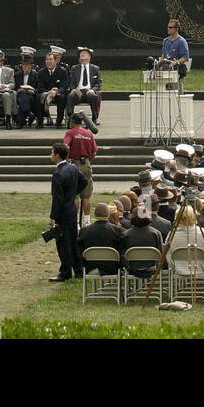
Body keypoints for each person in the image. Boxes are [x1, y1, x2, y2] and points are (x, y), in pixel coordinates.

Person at [49, 142, 83, 282]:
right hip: (72, 209)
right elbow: (84, 181)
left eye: (52, 153)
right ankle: (78, 268)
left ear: (57, 155)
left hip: (63, 212)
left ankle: (65, 272)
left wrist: (52, 218)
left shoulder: (58, 174)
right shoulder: (72, 168)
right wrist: (73, 193)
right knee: (73, 240)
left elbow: (57, 200)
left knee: (63, 243)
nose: (50, 155)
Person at [64, 113, 97, 223]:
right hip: (86, 164)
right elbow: (94, 152)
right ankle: (87, 220)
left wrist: (67, 158)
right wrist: (88, 160)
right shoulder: (88, 133)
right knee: (86, 195)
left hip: (74, 164)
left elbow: (65, 146)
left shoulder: (70, 133)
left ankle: (76, 221)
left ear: (72, 121)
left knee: (74, 195)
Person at [77, 201, 126, 272]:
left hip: (90, 267)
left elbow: (79, 251)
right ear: (108, 214)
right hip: (112, 266)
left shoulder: (84, 230)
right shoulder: (117, 231)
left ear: (95, 214)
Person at [67, 48, 102, 131]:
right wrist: (73, 89)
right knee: (71, 95)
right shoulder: (74, 68)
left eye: (84, 53)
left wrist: (93, 89)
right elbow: (71, 82)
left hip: (89, 91)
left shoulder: (95, 68)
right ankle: (71, 119)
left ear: (89, 57)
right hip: (78, 91)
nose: (82, 54)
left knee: (93, 95)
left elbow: (99, 83)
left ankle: (94, 119)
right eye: (81, 53)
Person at [34, 51, 70, 128]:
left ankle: (59, 121)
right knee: (38, 97)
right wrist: (49, 92)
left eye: (50, 60)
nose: (48, 62)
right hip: (46, 94)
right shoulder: (41, 72)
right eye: (47, 60)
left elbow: (64, 86)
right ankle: (40, 121)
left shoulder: (63, 71)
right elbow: (40, 87)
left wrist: (57, 92)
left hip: (58, 94)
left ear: (55, 61)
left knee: (62, 97)